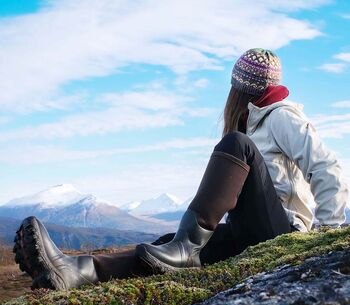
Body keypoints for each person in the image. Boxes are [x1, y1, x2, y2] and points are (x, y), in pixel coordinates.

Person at [13, 48, 348, 291]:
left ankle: (187, 246)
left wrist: (323, 240)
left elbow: (328, 167)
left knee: (236, 147)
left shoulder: (281, 116)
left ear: (239, 88)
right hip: (249, 232)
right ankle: (75, 270)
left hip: (281, 232)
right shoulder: (253, 121)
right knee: (163, 248)